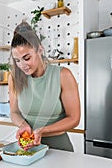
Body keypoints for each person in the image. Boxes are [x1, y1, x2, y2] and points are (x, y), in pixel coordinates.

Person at [8, 21, 80, 152]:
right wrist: (23, 125)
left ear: (40, 50)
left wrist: (43, 131)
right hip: (28, 149)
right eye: (17, 60)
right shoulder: (14, 78)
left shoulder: (63, 75)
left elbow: (74, 118)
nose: (22, 65)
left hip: (59, 150)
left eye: (27, 58)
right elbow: (14, 112)